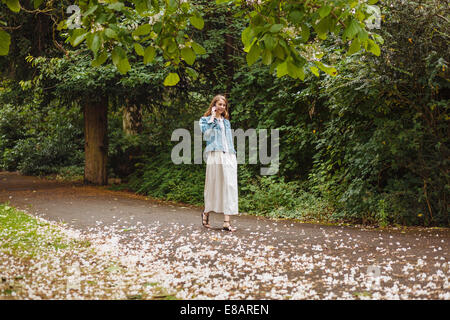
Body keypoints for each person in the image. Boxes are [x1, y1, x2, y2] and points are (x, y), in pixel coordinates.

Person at [198, 95, 238, 232]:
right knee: (213, 185)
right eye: (220, 104)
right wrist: (213, 118)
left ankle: (227, 222)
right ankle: (206, 213)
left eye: (224, 105)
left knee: (230, 186)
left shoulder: (226, 122)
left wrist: (232, 156)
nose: (222, 107)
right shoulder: (205, 120)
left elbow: (229, 141)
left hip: (228, 155)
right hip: (215, 155)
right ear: (214, 105)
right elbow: (207, 135)